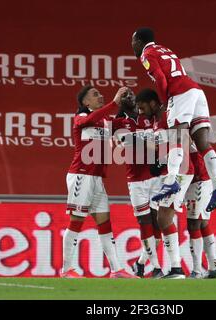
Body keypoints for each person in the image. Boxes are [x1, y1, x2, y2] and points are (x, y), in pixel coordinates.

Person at [131, 27, 216, 213]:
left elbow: (159, 77)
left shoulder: (146, 54)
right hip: (196, 91)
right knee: (202, 142)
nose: (132, 46)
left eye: (132, 42)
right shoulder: (165, 49)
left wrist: (165, 100)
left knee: (177, 137)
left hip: (180, 92)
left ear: (138, 42)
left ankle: (171, 181)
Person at [61, 85, 138, 279]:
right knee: (76, 221)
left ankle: (117, 269)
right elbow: (89, 119)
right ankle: (67, 269)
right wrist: (114, 102)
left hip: (97, 180)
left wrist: (129, 108)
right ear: (86, 102)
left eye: (100, 94)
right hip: (81, 176)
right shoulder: (80, 118)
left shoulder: (105, 121)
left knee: (105, 224)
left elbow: (122, 125)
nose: (100, 96)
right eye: (95, 95)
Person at [135, 88, 194, 279]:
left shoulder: (170, 116)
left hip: (181, 171)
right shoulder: (154, 122)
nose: (141, 112)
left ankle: (177, 269)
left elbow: (183, 140)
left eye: (143, 107)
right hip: (170, 173)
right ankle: (171, 267)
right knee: (162, 218)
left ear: (153, 103)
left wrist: (166, 158)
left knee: (163, 218)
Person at [111, 89, 163, 278]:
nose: (130, 96)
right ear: (119, 101)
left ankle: (140, 264)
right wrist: (154, 144)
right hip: (136, 181)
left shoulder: (148, 117)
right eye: (124, 95)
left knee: (159, 224)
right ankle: (156, 267)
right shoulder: (117, 123)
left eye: (131, 93)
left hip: (155, 178)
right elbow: (131, 143)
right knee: (145, 223)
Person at [185, 143, 216, 279]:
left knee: (193, 224)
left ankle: (196, 270)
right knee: (202, 223)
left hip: (199, 181)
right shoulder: (189, 133)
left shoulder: (187, 133)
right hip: (199, 181)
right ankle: (213, 267)